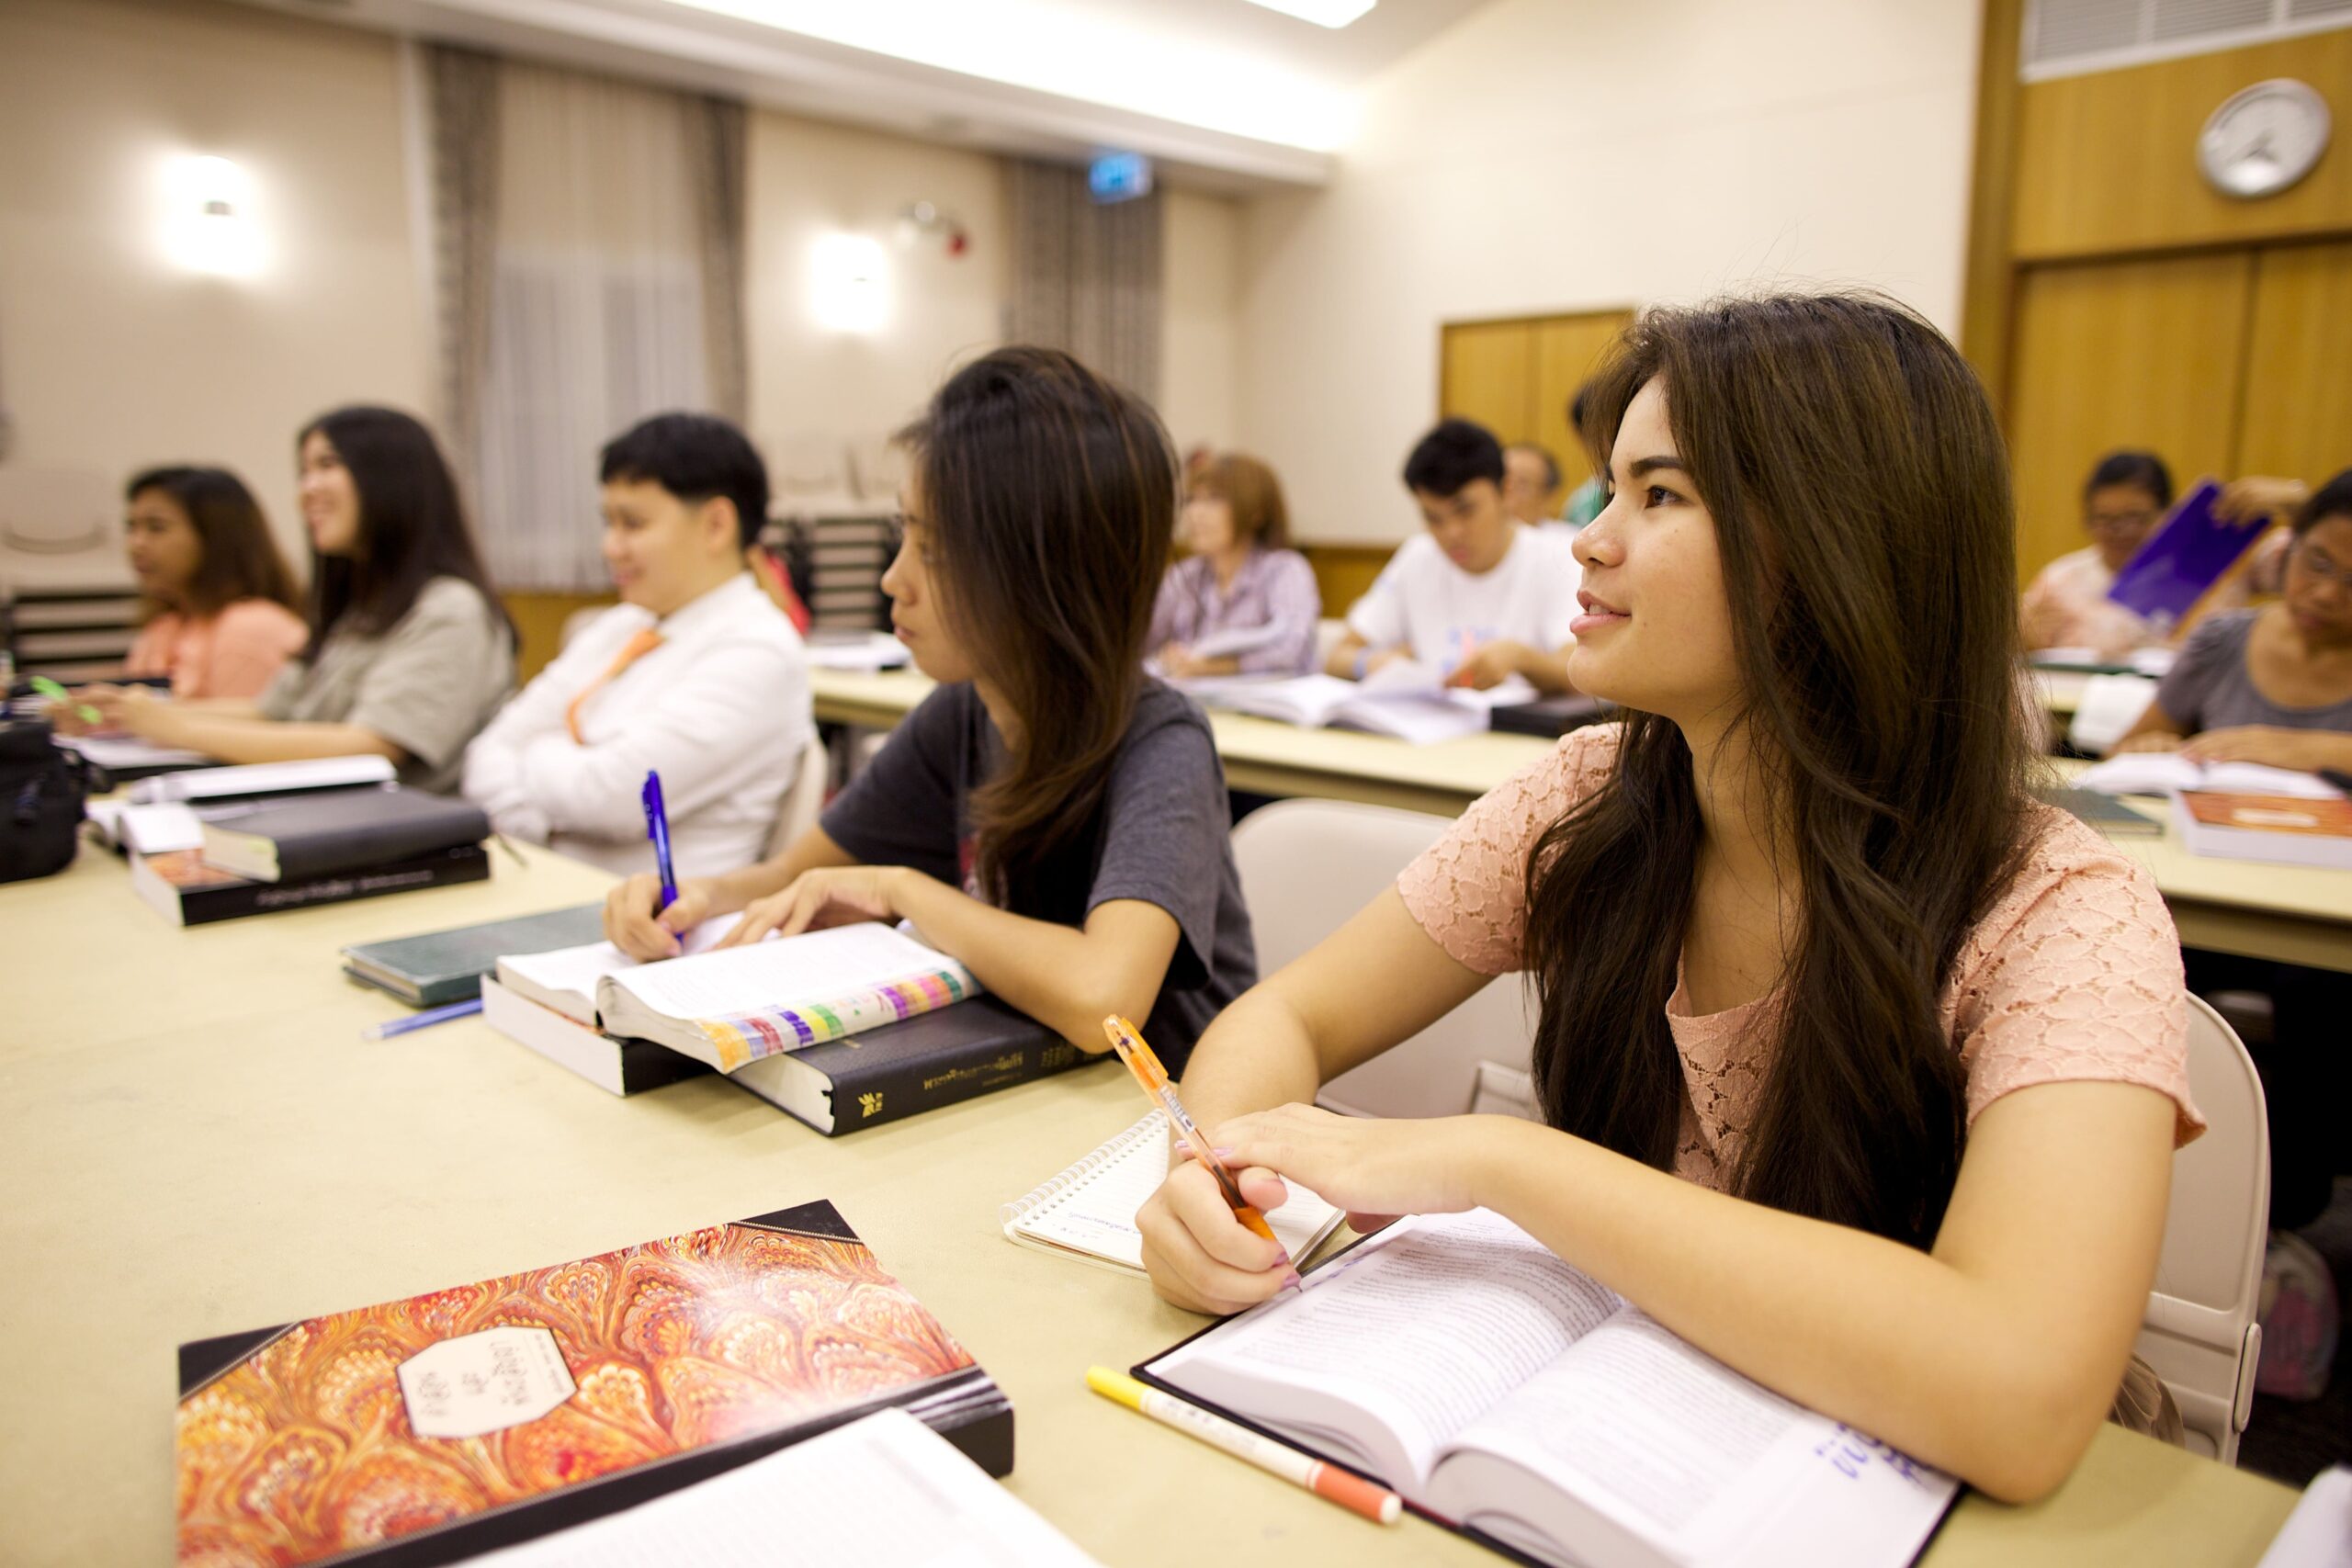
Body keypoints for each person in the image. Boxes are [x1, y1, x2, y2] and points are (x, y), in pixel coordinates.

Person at [1138, 294, 2204, 1504]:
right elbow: (1289, 1018)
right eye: (1606, 489)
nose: (1588, 538)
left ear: (1836, 542)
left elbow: (2017, 1398)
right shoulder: (1590, 794)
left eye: (1660, 494)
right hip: (1625, 1441)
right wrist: (1208, 1173)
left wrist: (1502, 1162)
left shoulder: (2062, 906)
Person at [603, 347, 1256, 1072]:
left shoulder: (1161, 743)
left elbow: (1104, 1000)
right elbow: (798, 875)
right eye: (904, 534)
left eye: (936, 550)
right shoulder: (964, 712)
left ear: (1046, 572)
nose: (894, 578)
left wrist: (900, 887)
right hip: (1021, 1083)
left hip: (1164, 1118)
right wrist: (695, 895)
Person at [85, 407, 514, 792]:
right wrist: (129, 716)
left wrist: (173, 727)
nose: (306, 490)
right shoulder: (357, 613)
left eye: (326, 465)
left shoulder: (449, 610)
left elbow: (369, 747)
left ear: (392, 479)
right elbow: (271, 712)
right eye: (303, 472)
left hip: (407, 833)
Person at [462, 413, 812, 878]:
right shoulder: (623, 625)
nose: (611, 546)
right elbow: (487, 752)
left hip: (652, 925)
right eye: (609, 522)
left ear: (716, 525)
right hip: (545, 880)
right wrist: (542, 823)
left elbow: (617, 797)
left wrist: (538, 755)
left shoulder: (758, 650)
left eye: (633, 524)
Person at [1325, 419, 1582, 694]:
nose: (1451, 533)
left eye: (1466, 510)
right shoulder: (1418, 555)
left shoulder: (1555, 556)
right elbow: (1337, 656)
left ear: (1505, 491)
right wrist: (1373, 663)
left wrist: (1520, 658)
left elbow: (1580, 670)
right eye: (1433, 518)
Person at [70, 467, 305, 709]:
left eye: (156, 527)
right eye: (131, 527)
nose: (136, 544)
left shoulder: (251, 626)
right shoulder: (164, 628)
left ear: (215, 535)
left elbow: (238, 740)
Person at [2019, 451, 2262, 659]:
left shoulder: (2218, 567)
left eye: (2134, 518)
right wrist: (2024, 640)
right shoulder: (2059, 580)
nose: (2120, 532)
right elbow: (2025, 645)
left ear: (2169, 514)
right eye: (2104, 520)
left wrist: (2291, 501)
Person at [1146, 453, 1320, 678]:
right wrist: (1169, 658)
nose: (1196, 513)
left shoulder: (1284, 570)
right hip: (1200, 703)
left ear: (1256, 513)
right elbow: (1142, 644)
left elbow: (1292, 650)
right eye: (1192, 500)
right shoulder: (1184, 576)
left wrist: (1209, 668)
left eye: (1213, 499)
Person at [1501, 441, 1563, 525]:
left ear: (1546, 498)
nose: (1507, 489)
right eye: (1503, 480)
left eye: (1521, 485)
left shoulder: (1568, 537)